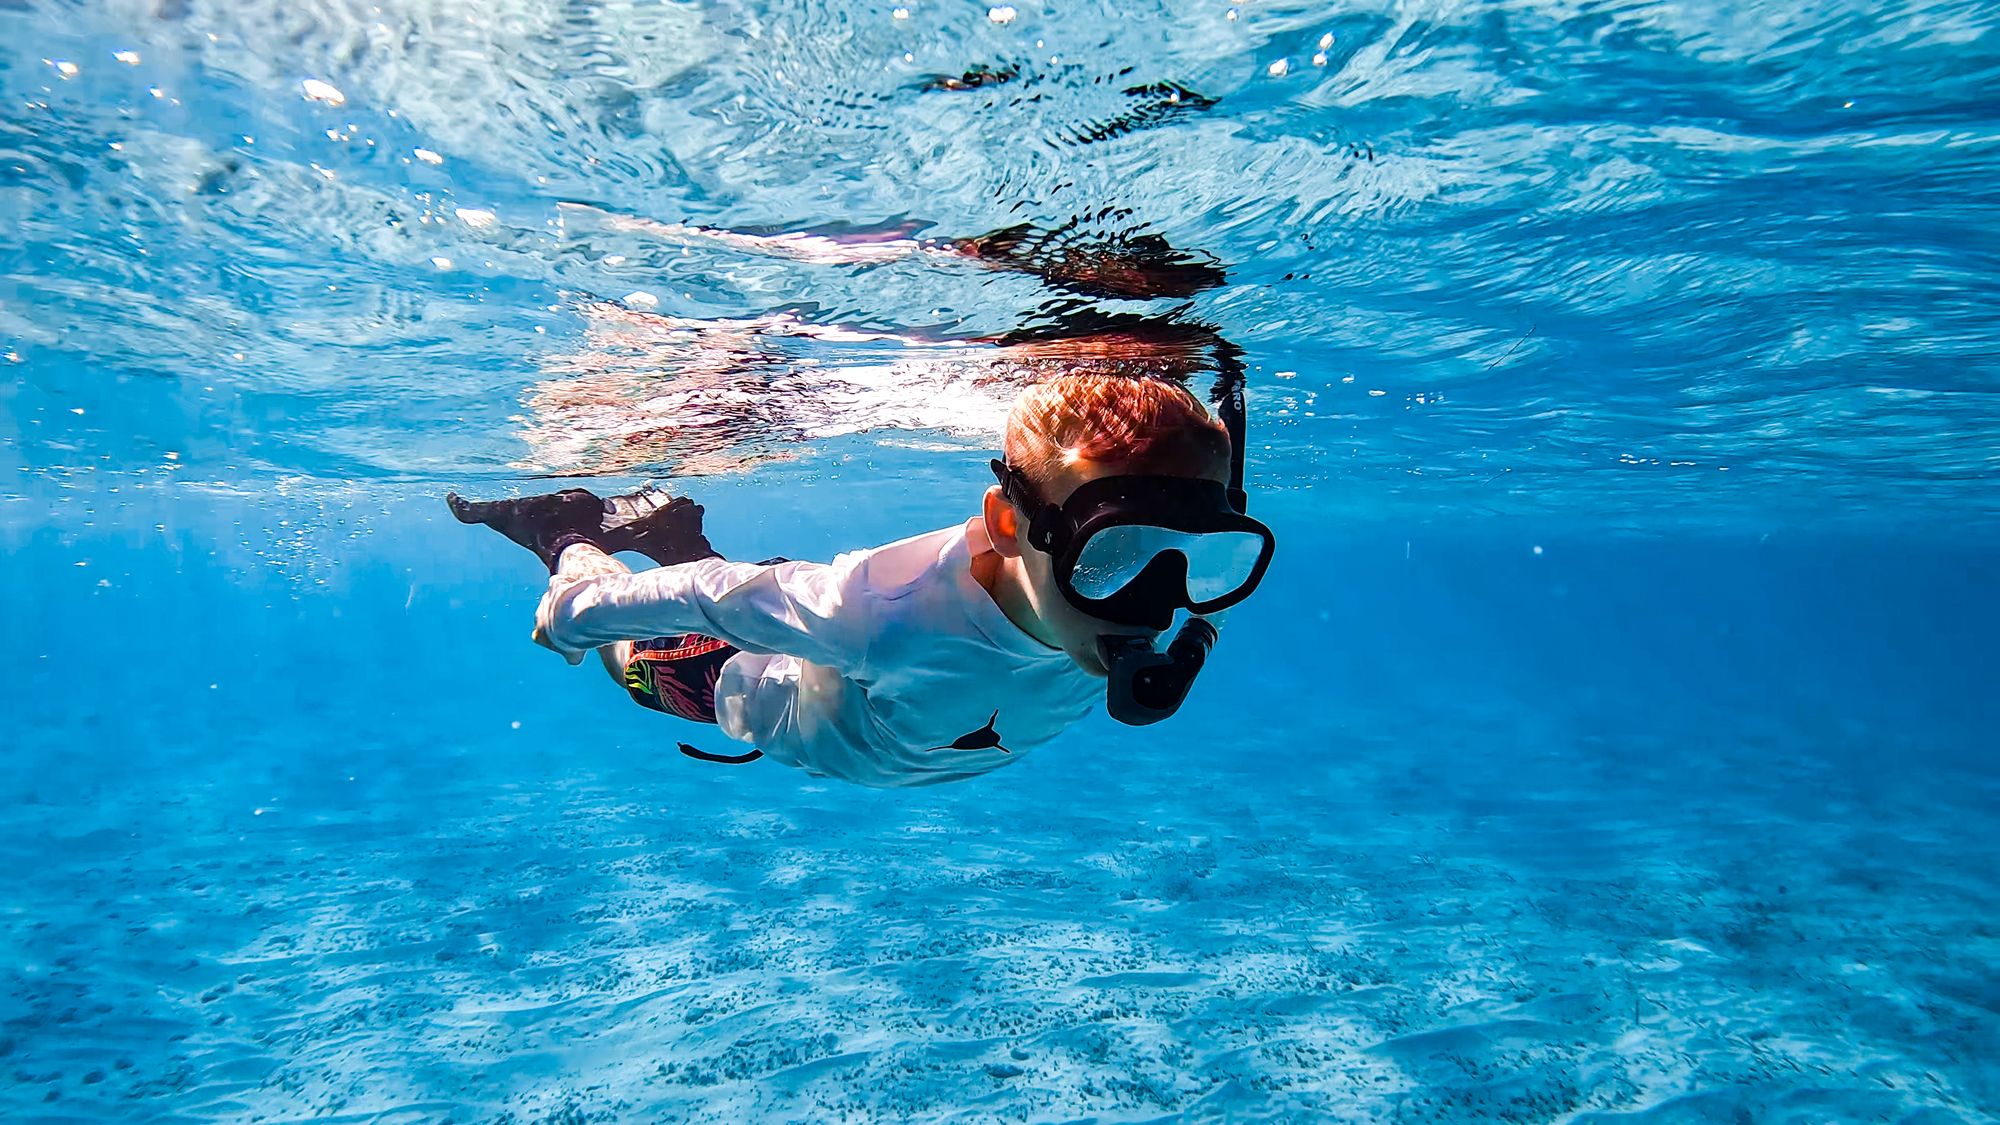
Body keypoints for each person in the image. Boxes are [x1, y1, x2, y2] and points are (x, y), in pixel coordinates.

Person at [449, 371, 1274, 788]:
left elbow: (1194, 589)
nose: (1162, 602)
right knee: (632, 667)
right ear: (1008, 524)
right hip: (757, 680)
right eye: (1113, 552)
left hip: (813, 638)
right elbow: (709, 599)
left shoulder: (1139, 600)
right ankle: (560, 530)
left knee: (744, 592)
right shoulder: (885, 612)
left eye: (1196, 554)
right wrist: (575, 611)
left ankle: (673, 531)